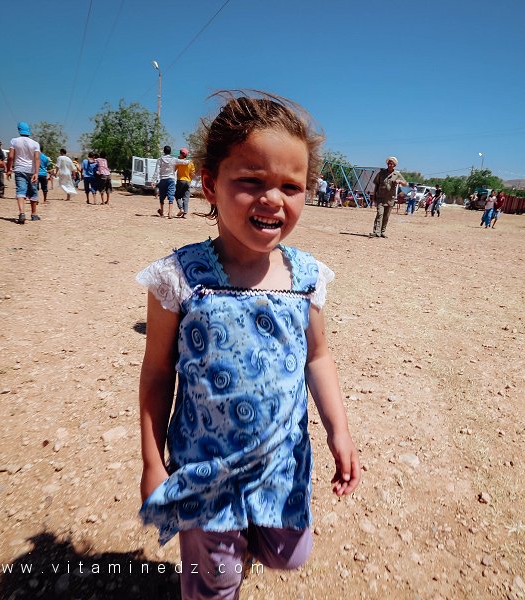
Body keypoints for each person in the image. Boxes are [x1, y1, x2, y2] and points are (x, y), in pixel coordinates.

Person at [137, 91, 360, 600]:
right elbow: (156, 373)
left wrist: (339, 430)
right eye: (251, 182)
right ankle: (218, 562)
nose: (273, 199)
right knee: (215, 586)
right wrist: (152, 461)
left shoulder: (306, 277)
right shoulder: (179, 277)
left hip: (282, 463)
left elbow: (318, 357)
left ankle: (244, 543)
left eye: (290, 186)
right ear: (211, 185)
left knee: (290, 554)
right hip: (204, 470)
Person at [5, 121, 41, 224]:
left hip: (19, 169)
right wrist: (36, 172)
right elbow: (37, 158)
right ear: (29, 131)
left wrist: (9, 169)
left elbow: (11, 157)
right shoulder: (35, 143)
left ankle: (22, 213)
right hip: (31, 170)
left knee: (21, 191)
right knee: (33, 191)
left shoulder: (14, 141)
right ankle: (34, 214)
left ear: (19, 130)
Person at [369, 156, 406, 238]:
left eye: (391, 163)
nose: (390, 165)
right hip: (380, 198)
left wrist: (399, 181)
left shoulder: (397, 174)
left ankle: (382, 232)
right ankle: (376, 232)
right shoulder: (381, 173)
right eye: (389, 163)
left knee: (386, 216)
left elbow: (405, 183)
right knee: (380, 214)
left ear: (394, 165)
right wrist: (373, 195)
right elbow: (376, 185)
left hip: (390, 199)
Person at [152, 145, 178, 217]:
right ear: (170, 152)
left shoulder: (160, 159)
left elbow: (156, 171)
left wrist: (153, 181)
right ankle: (170, 213)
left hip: (163, 179)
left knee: (162, 195)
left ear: (164, 151)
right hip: (171, 179)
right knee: (171, 195)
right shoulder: (174, 159)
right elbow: (182, 162)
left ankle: (162, 212)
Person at [174, 148, 196, 217]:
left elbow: (174, 170)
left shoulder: (179, 162)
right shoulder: (190, 163)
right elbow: (192, 174)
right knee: (186, 197)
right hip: (188, 181)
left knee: (177, 195)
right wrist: (190, 181)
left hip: (180, 180)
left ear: (181, 154)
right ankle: (185, 213)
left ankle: (181, 209)